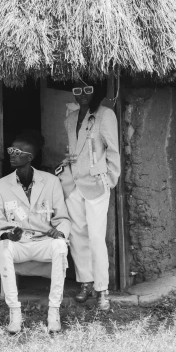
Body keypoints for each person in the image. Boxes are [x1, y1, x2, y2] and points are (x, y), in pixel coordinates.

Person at [0, 133, 71, 333]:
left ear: (30, 157)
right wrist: (8, 235)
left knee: (60, 248)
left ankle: (54, 312)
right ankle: (15, 314)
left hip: (44, 242)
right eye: (10, 151)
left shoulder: (51, 182)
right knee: (3, 248)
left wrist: (58, 234)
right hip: (19, 244)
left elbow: (63, 219)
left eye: (17, 152)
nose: (12, 154)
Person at [60, 81, 120, 310]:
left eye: (87, 90)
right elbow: (73, 150)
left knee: (96, 237)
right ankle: (86, 281)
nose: (82, 95)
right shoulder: (69, 118)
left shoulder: (105, 115)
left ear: (96, 91)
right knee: (77, 235)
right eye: (77, 90)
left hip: (96, 183)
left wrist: (110, 179)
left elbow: (113, 150)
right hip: (73, 184)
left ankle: (102, 289)